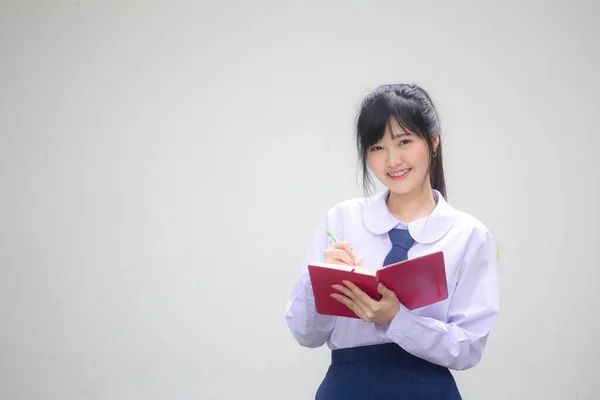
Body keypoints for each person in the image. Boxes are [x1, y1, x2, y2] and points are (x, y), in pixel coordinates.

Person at [285, 83, 500, 399]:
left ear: (434, 141)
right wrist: (316, 281)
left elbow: (468, 348)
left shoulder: (468, 235)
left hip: (427, 390)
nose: (393, 160)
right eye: (377, 148)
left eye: (404, 141)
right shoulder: (341, 220)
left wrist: (399, 321)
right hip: (347, 388)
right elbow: (306, 334)